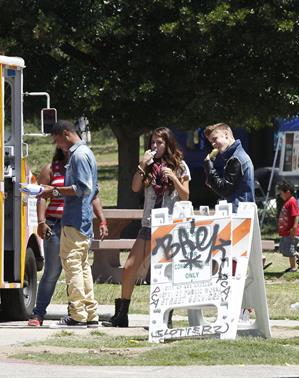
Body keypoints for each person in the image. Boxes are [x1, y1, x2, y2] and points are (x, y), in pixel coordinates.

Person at [103, 127, 190, 327]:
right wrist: (142, 165)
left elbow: (185, 195)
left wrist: (174, 178)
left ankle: (165, 317)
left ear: (168, 144)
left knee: (167, 272)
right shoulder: (149, 166)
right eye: (152, 142)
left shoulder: (181, 166)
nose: (155, 146)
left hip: (169, 227)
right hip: (149, 225)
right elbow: (135, 187)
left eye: (159, 143)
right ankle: (122, 313)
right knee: (130, 267)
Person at [28, 147, 108, 327]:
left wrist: (102, 219)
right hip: (55, 224)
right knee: (52, 271)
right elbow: (41, 196)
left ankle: (77, 312)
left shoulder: (81, 167)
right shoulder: (51, 169)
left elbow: (93, 194)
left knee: (77, 268)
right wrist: (41, 222)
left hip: (75, 224)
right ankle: (39, 314)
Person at [38, 120, 100, 328]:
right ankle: (90, 313)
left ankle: (77, 315)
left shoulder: (78, 155)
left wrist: (53, 191)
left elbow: (82, 188)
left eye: (57, 140)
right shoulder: (87, 153)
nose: (58, 145)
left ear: (66, 134)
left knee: (72, 266)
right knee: (83, 267)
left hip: (74, 219)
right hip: (82, 220)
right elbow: (95, 189)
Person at [203, 123, 255, 212]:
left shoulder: (236, 158)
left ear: (226, 134)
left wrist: (209, 166)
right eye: (211, 142)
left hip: (241, 214)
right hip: (242, 213)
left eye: (215, 139)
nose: (213, 144)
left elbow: (224, 189)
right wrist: (213, 182)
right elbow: (228, 187)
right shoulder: (235, 156)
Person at [278, 181, 299, 272]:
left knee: (289, 250)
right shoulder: (288, 202)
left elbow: (296, 215)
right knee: (284, 249)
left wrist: (294, 227)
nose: (280, 195)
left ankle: (294, 267)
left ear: (287, 192)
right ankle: (297, 259)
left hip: (291, 232)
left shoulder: (292, 201)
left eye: (281, 193)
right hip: (286, 232)